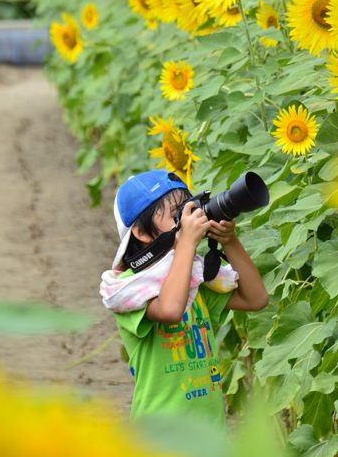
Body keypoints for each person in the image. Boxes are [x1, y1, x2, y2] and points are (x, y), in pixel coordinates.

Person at [99, 169, 270, 430]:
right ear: (141, 233)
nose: (190, 219)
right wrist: (187, 244)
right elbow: (170, 310)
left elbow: (256, 298)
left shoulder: (196, 280)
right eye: (177, 215)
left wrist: (230, 242)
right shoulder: (127, 291)